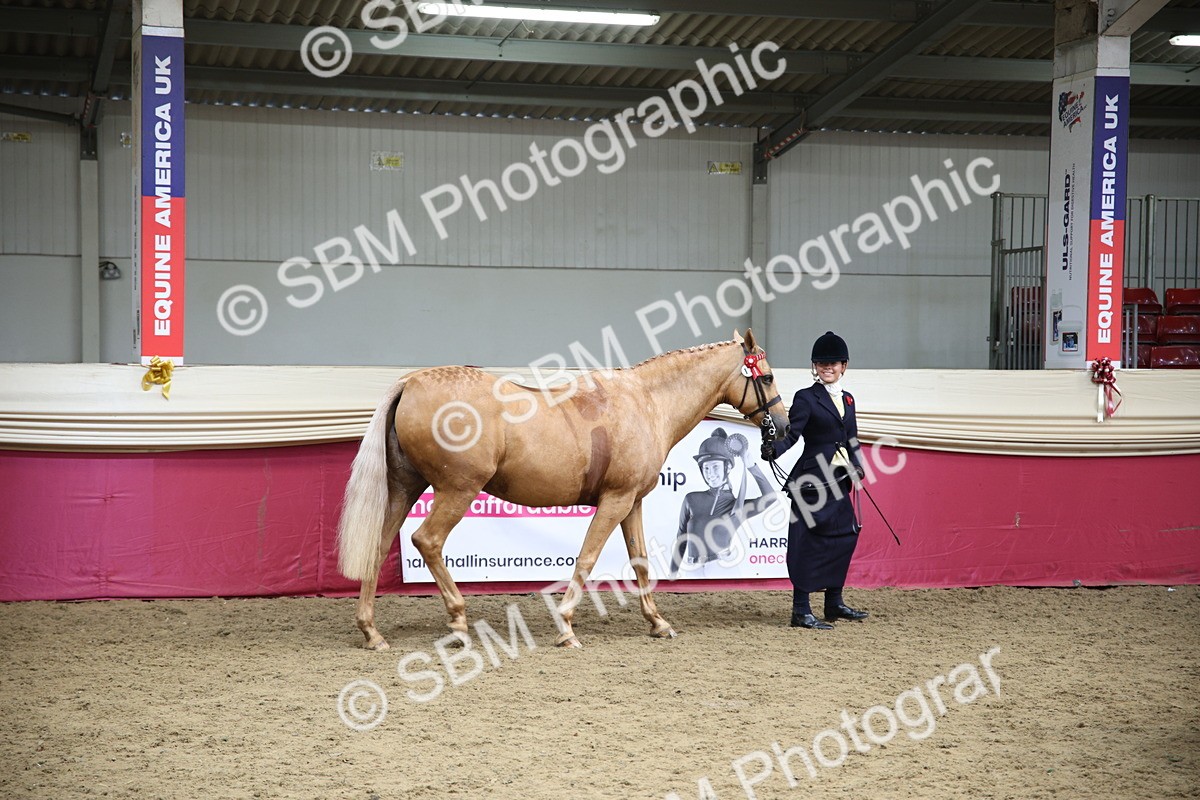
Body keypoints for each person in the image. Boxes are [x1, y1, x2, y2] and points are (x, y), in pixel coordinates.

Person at [761, 331, 868, 630]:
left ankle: (833, 602)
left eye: (833, 363)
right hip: (811, 482)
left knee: (842, 538)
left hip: (839, 479)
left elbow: (852, 438)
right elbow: (793, 434)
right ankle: (800, 610)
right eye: (822, 363)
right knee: (807, 543)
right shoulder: (806, 397)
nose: (827, 367)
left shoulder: (848, 399)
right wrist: (774, 450)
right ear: (815, 366)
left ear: (844, 366)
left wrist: (858, 466)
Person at [668, 428, 776, 578]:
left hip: (722, 568)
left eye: (715, 467)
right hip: (692, 569)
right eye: (706, 468)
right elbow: (681, 537)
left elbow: (770, 498)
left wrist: (751, 466)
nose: (710, 474)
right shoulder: (691, 499)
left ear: (728, 467)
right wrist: (672, 574)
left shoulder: (737, 507)